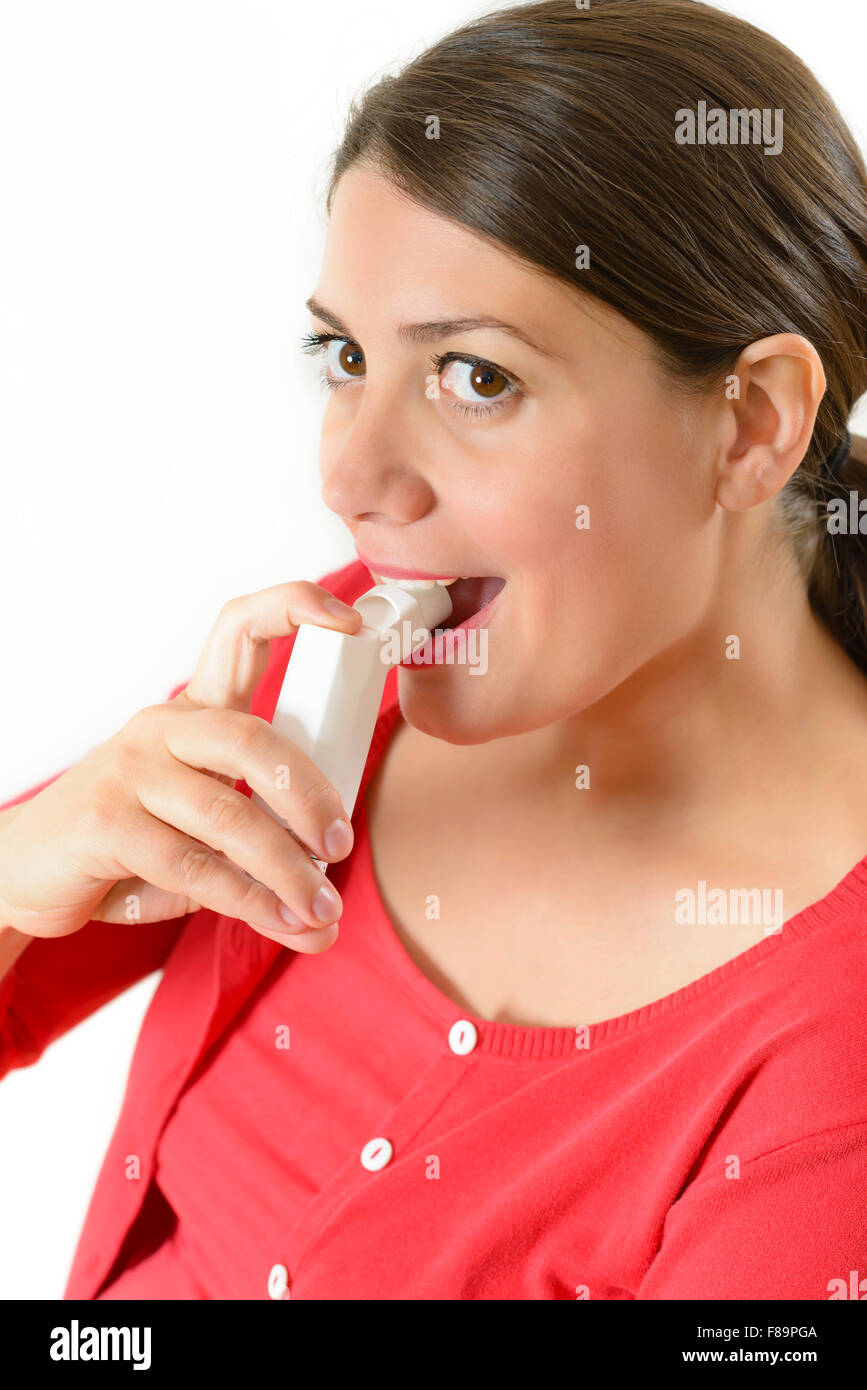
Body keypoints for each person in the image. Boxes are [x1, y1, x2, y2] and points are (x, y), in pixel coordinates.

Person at [2, 0, 867, 1300]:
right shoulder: (334, 674)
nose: (347, 473)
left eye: (477, 377)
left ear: (749, 423)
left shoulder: (831, 1043)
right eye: (346, 355)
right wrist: (22, 867)